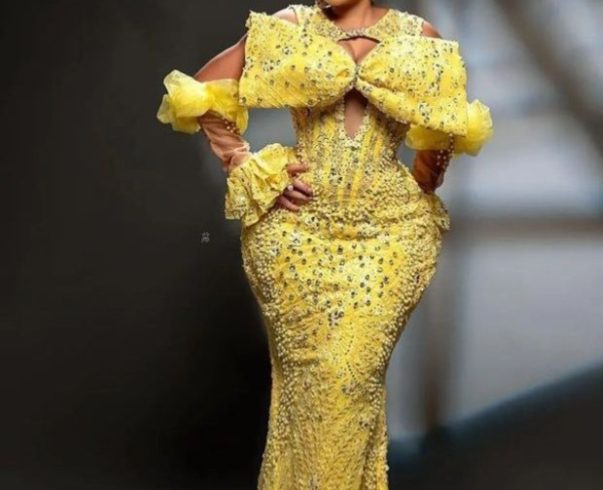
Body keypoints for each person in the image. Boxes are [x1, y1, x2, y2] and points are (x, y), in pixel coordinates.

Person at [156, 1, 493, 487]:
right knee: (310, 386)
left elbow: (440, 135)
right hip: (296, 237)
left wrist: (416, 191)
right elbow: (199, 90)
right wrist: (244, 164)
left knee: (352, 377)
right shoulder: (292, 25)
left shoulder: (421, 36)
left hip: (388, 239)